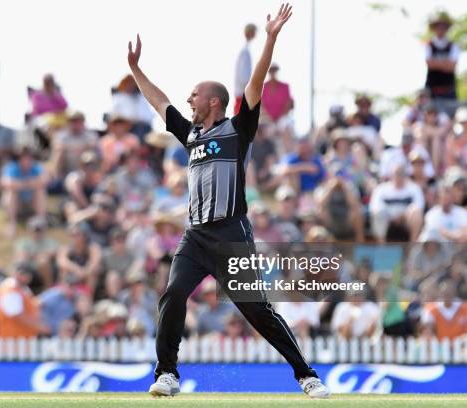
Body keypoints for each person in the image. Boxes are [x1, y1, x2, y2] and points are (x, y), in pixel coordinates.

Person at [126, 4, 329, 398]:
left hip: (230, 234)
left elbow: (256, 87)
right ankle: (166, 374)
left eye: (196, 94)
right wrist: (136, 70)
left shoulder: (238, 129)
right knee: (172, 295)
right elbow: (159, 101)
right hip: (195, 237)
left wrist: (270, 38)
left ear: (214, 102)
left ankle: (306, 374)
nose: (189, 98)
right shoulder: (191, 136)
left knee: (257, 311)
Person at [369, 164, 425, 242]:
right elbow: (374, 207)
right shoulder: (381, 189)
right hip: (387, 218)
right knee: (379, 214)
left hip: (406, 219)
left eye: (402, 174)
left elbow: (419, 206)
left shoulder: (414, 188)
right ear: (391, 175)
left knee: (417, 214)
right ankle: (382, 249)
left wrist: (402, 216)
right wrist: (391, 217)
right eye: (397, 174)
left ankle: (413, 248)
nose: (399, 176)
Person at [1, 146, 47, 236]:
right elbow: (6, 183)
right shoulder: (11, 167)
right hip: (15, 204)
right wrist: (28, 183)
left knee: (40, 191)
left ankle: (41, 223)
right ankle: (11, 224)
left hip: (31, 203)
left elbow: (45, 180)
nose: (27, 160)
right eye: (24, 157)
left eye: (29, 158)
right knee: (12, 192)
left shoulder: (36, 167)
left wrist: (21, 184)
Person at [0, 262, 49, 338]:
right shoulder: (10, 289)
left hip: (24, 337)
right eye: (24, 274)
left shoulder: (23, 288)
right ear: (16, 274)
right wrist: (40, 326)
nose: (27, 277)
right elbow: (17, 314)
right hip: (13, 338)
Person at [424, 11, 459, 111]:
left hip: (449, 90)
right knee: (430, 115)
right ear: (434, 28)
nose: (440, 29)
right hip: (431, 90)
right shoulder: (429, 45)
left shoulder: (453, 45)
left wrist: (436, 63)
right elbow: (429, 64)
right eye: (438, 27)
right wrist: (445, 63)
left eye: (443, 27)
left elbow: (452, 66)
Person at [234, 24, 257, 115]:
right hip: (243, 93)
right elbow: (243, 76)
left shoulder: (245, 49)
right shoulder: (245, 50)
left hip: (242, 93)